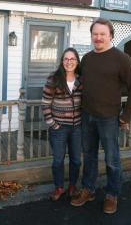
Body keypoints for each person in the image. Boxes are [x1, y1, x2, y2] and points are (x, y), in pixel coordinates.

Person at [70, 18, 131, 214]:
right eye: (95, 34)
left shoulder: (122, 59)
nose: (98, 38)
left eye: (102, 34)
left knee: (112, 159)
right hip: (87, 116)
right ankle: (88, 189)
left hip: (109, 119)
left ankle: (112, 194)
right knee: (90, 157)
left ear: (110, 35)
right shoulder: (87, 59)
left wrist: (125, 117)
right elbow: (77, 81)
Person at [42, 47, 83, 201]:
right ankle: (59, 187)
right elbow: (45, 104)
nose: (69, 62)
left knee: (76, 160)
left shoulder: (81, 79)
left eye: (72, 59)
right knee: (58, 160)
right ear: (62, 61)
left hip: (77, 127)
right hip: (59, 128)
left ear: (77, 61)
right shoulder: (54, 79)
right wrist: (53, 124)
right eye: (66, 59)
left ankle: (72, 186)